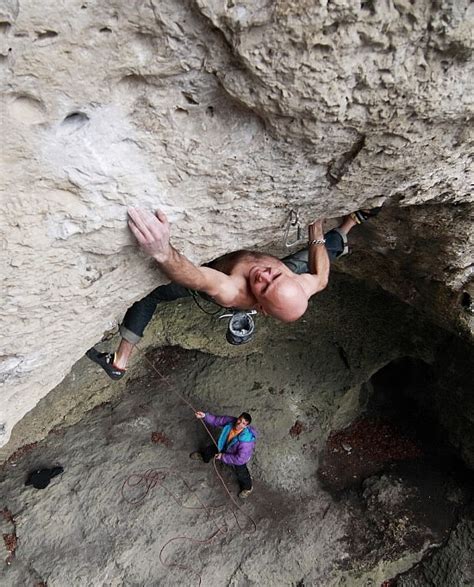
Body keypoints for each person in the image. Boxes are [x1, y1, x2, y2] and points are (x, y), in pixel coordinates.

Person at [87, 207, 379, 379]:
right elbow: (322, 277)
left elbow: (195, 275)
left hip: (211, 277)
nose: (264, 275)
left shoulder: (231, 290)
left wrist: (162, 252)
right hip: (281, 287)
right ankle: (349, 225)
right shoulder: (298, 284)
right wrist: (316, 229)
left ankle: (119, 362)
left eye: (264, 285)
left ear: (261, 307)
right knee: (324, 252)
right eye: (274, 274)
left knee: (150, 295)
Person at [190, 410, 257, 499]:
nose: (239, 423)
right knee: (209, 450)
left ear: (246, 426)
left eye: (243, 423)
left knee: (242, 473)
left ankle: (247, 488)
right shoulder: (230, 421)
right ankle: (203, 456)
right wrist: (204, 416)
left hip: (239, 457)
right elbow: (216, 420)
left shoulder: (246, 442)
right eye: (240, 420)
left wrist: (223, 456)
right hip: (225, 445)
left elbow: (239, 459)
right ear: (238, 418)